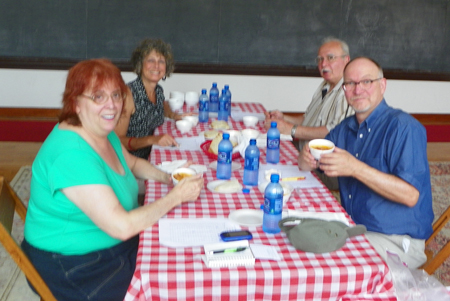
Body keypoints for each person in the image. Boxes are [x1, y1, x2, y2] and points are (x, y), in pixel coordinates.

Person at [22, 59, 203, 301]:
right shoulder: (71, 154)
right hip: (74, 265)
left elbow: (133, 163)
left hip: (110, 243)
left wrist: (169, 177)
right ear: (76, 103)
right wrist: (175, 197)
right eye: (98, 97)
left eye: (116, 95)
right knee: (168, 283)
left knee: (179, 254)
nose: (112, 105)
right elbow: (122, 226)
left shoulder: (98, 131)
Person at [298, 57, 433, 269]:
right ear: (344, 90)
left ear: (382, 85)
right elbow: (309, 162)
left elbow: (410, 196)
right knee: (298, 233)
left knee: (321, 261)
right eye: (350, 83)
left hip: (395, 240)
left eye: (366, 81)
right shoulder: (346, 128)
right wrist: (305, 158)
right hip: (353, 228)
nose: (358, 89)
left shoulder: (404, 128)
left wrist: (355, 168)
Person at [265, 37, 354, 190]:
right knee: (265, 161)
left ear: (346, 60)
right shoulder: (325, 85)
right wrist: (284, 118)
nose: (323, 64)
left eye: (330, 58)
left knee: (271, 178)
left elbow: (333, 132)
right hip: (302, 155)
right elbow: (309, 118)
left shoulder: (349, 91)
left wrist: (291, 129)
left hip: (325, 169)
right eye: (320, 59)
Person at [115, 38, 186, 160]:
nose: (156, 66)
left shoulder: (158, 90)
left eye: (161, 61)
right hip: (131, 163)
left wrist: (174, 115)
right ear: (140, 64)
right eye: (151, 60)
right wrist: (152, 140)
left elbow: (162, 106)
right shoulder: (129, 94)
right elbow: (118, 141)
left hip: (151, 155)